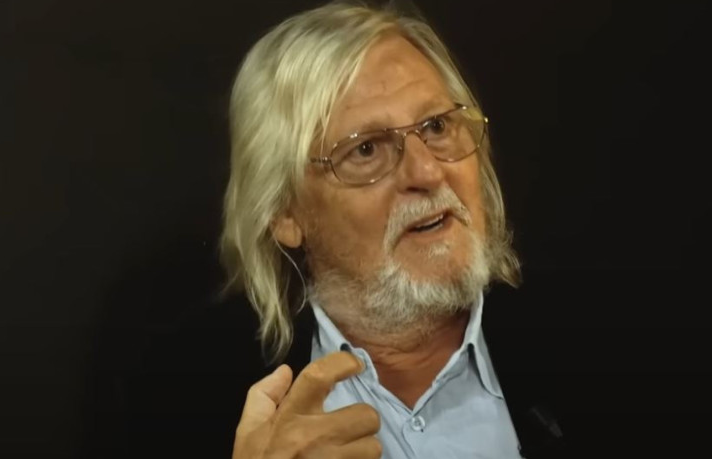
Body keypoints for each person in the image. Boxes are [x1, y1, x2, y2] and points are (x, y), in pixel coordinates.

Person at [220, 2, 563, 458]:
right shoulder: (195, 400)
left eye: (437, 125)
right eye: (365, 150)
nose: (428, 171)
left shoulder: (601, 342)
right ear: (285, 213)